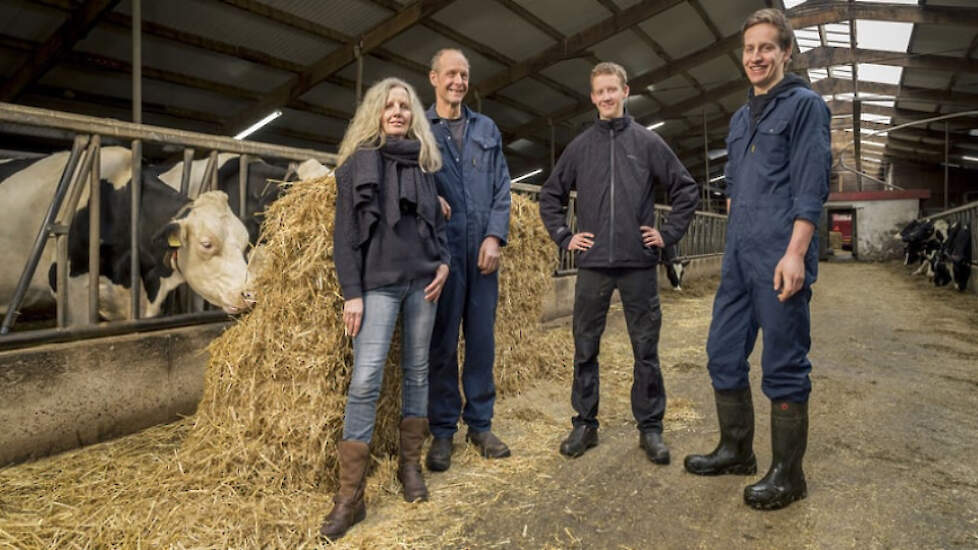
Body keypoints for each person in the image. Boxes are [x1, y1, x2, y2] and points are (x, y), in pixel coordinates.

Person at [682, 8, 830, 511]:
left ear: (786, 52)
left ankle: (789, 475)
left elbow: (811, 187)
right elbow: (737, 190)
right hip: (739, 258)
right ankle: (736, 450)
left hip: (779, 257)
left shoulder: (805, 107)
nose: (756, 57)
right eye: (749, 49)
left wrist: (795, 253)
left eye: (767, 47)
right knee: (722, 353)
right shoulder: (741, 117)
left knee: (783, 366)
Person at [539, 61, 699, 464]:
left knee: (645, 347)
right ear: (592, 97)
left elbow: (685, 188)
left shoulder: (647, 143)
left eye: (613, 90)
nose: (607, 97)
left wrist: (667, 234)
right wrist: (564, 236)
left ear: (626, 92)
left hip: (638, 262)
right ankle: (584, 424)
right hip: (593, 263)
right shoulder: (580, 146)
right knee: (585, 346)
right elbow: (550, 195)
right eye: (600, 92)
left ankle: (650, 428)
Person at [319, 77, 450, 540]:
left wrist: (445, 265)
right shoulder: (358, 164)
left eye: (404, 106)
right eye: (389, 105)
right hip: (377, 287)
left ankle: (409, 467)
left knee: (417, 372)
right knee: (366, 379)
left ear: (413, 115)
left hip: (422, 284)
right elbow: (345, 235)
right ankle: (349, 496)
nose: (397, 112)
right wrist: (351, 292)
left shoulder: (425, 166)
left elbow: (437, 229)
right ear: (376, 113)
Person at [424, 48, 513, 472]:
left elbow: (502, 187)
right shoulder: (419, 128)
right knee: (441, 343)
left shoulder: (487, 128)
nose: (458, 81)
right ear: (434, 78)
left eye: (464, 75)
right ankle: (442, 432)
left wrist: (495, 236)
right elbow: (406, 179)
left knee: (480, 340)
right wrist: (430, 197)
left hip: (481, 251)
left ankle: (480, 424)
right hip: (441, 253)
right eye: (451, 74)